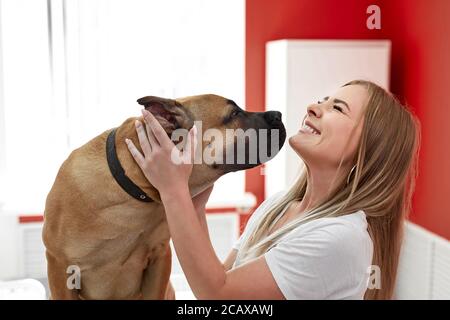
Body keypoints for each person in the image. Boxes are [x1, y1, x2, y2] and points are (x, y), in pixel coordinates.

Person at [125, 80, 420, 300]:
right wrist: (194, 204)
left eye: (337, 108)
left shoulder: (341, 238)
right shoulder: (279, 205)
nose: (313, 107)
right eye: (323, 99)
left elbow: (219, 295)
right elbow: (220, 280)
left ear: (367, 150)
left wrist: (173, 191)